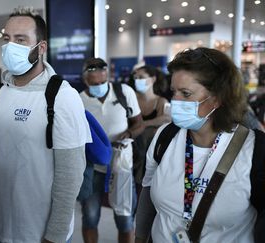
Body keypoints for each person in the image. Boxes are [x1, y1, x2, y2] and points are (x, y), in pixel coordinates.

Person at [0, 6, 91, 243]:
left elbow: (70, 174)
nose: (10, 46)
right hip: (5, 228)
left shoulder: (62, 96)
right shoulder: (0, 93)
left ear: (41, 47)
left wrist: (55, 235)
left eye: (21, 39)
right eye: (7, 39)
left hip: (42, 232)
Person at [135, 47, 264, 243]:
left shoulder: (255, 150)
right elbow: (147, 195)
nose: (175, 100)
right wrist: (139, 238)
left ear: (217, 99)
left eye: (185, 94)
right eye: (173, 92)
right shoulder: (165, 137)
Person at [79, 57, 144, 243]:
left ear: (108, 76)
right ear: (85, 80)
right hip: (91, 168)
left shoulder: (124, 92)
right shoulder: (78, 100)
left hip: (121, 165)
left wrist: (129, 133)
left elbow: (139, 123)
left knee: (125, 219)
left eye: (102, 82)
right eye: (94, 84)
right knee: (90, 218)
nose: (99, 86)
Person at [132, 65, 171, 191]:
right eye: (136, 77)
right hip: (132, 152)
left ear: (153, 79)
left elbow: (165, 119)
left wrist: (142, 124)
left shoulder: (161, 101)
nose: (137, 80)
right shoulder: (131, 98)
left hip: (150, 153)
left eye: (141, 77)